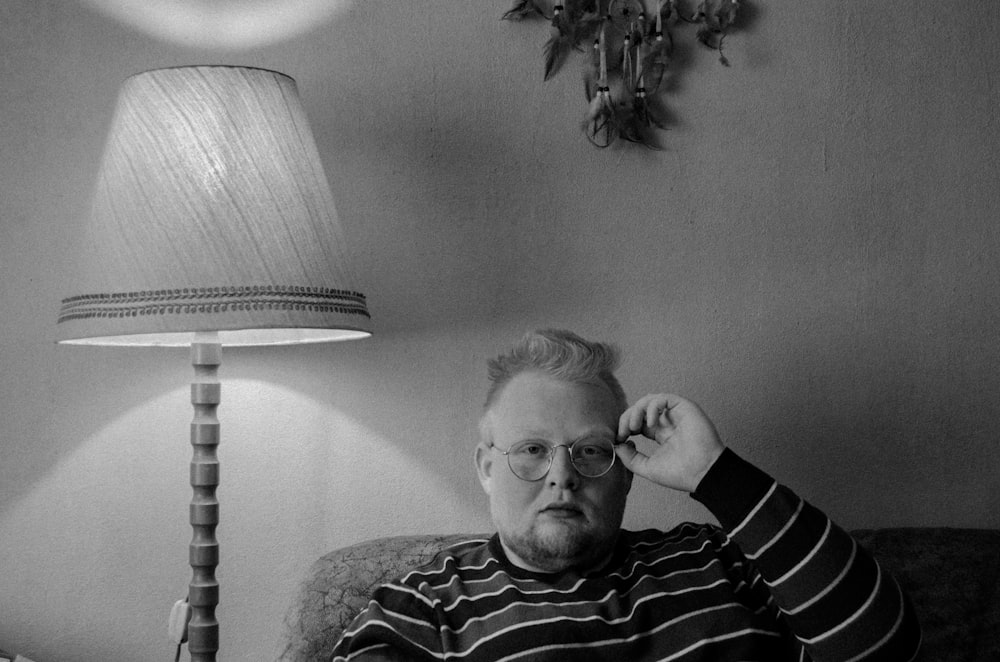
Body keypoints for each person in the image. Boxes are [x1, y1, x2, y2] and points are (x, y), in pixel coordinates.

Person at [331, 329, 921, 661]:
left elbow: (886, 646)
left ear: (627, 469)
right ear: (487, 467)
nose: (563, 475)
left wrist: (717, 474)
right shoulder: (421, 609)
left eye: (589, 450)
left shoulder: (720, 561)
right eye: (532, 450)